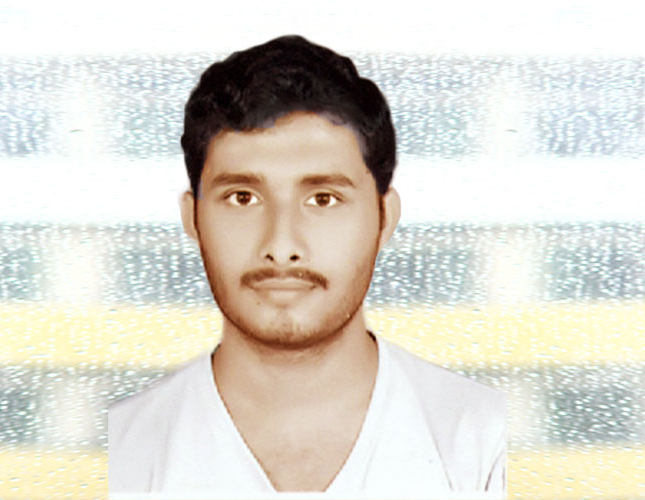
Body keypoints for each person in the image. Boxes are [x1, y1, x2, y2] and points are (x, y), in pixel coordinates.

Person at [108, 35, 506, 498]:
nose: (281, 247)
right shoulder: (118, 454)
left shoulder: (485, 444)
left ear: (385, 218)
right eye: (243, 198)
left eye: (323, 199)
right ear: (192, 219)